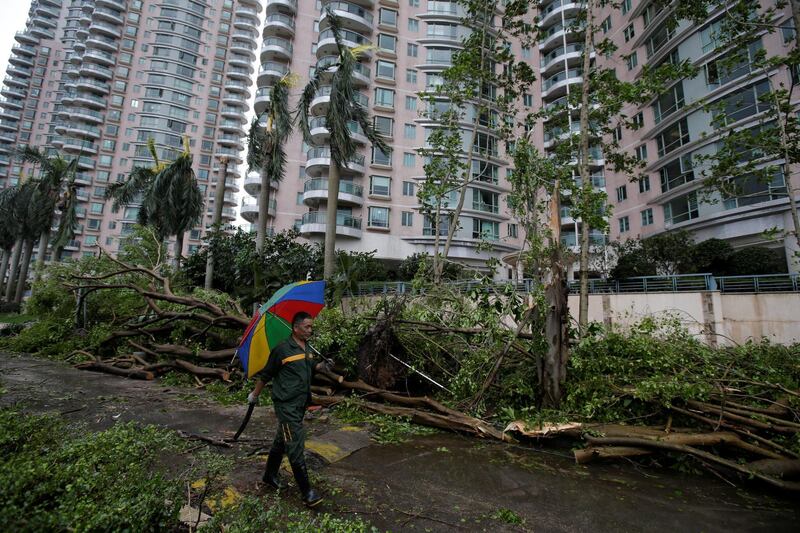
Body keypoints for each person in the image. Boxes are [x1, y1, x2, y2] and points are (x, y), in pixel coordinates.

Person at [247, 311, 330, 507]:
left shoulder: (306, 346)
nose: (310, 330)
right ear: (296, 328)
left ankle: (269, 475)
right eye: (307, 327)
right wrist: (254, 395)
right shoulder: (282, 350)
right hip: (286, 405)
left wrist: (322, 366)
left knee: (282, 440)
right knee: (294, 442)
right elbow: (266, 375)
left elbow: (310, 366)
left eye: (311, 327)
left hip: (301, 403)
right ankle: (307, 492)